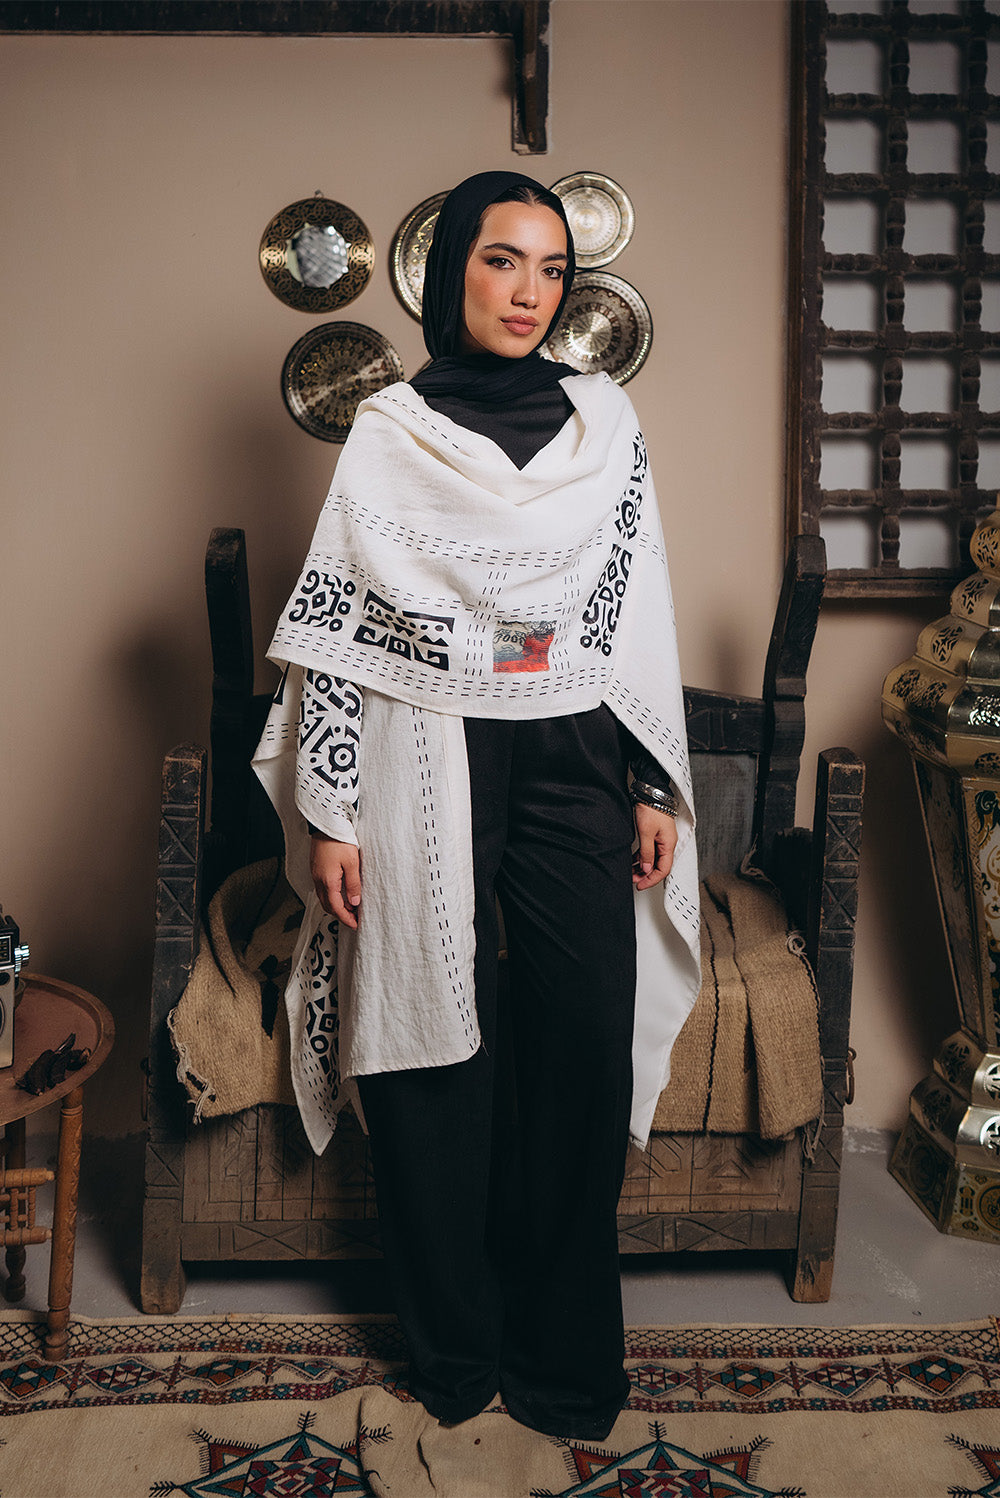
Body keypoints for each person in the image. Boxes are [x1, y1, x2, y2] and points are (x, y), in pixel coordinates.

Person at [253, 170, 700, 1442]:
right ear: (452, 270)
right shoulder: (390, 429)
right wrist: (332, 810)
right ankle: (453, 1349)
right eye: (503, 261)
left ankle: (565, 1356)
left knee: (579, 1041)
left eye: (552, 269)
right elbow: (339, 628)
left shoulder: (605, 421)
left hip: (574, 748)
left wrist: (650, 779)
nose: (528, 292)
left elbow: (633, 606)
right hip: (423, 741)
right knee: (429, 1045)